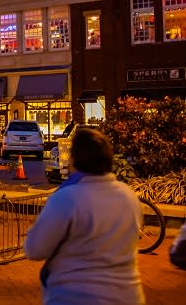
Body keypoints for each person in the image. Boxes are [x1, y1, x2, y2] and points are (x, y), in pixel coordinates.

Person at [24, 128, 144, 304]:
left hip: (76, 295)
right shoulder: (128, 196)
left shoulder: (67, 197)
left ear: (75, 160)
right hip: (128, 295)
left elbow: (35, 249)